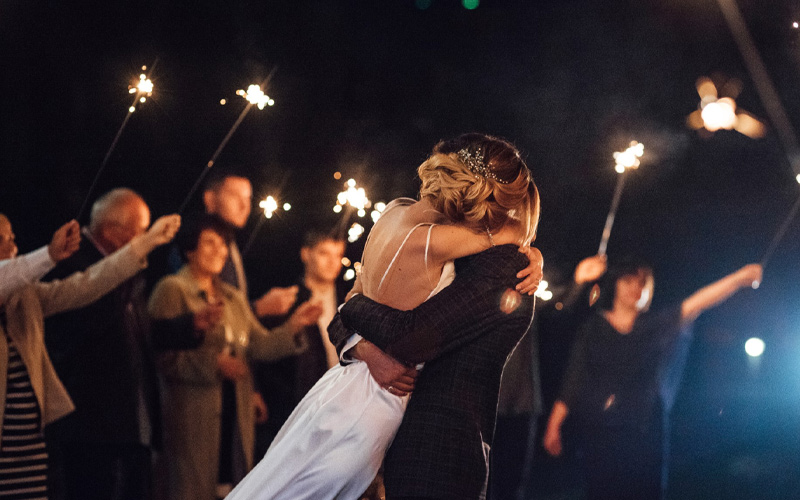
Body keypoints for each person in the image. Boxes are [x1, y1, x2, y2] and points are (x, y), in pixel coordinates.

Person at [226, 133, 543, 500]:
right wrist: (526, 242)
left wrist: (356, 332)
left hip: (340, 387)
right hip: (378, 405)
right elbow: (404, 331)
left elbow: (353, 300)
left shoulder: (394, 210)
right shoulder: (434, 242)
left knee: (278, 481)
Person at [542, 257, 763, 500]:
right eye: (629, 280)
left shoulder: (654, 325)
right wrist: (554, 424)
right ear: (616, 283)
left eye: (642, 283)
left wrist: (739, 278)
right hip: (600, 433)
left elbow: (696, 303)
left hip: (644, 433)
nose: (635, 288)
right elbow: (574, 376)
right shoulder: (593, 327)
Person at [0, 211, 180, 500]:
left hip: (27, 450)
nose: (11, 248)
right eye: (1, 240)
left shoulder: (26, 296)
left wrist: (145, 243)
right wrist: (48, 255)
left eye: (11, 239)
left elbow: (86, 284)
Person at [43, 189, 204, 500]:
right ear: (112, 231)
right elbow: (78, 329)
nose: (143, 239)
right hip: (91, 425)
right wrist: (121, 274)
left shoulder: (125, 271)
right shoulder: (73, 265)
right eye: (140, 231)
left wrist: (188, 326)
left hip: (132, 422)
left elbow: (138, 334)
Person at [148, 215, 323, 500]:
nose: (219, 250)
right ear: (190, 249)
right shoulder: (172, 289)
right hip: (192, 419)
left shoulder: (232, 297)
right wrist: (213, 364)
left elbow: (258, 346)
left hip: (233, 415)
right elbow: (161, 356)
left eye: (224, 245)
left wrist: (294, 326)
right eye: (210, 243)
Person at [252, 230, 347, 457]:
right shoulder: (286, 300)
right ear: (306, 254)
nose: (332, 262)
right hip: (292, 409)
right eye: (324, 253)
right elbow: (259, 349)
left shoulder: (349, 300)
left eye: (338, 254)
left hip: (339, 404)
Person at [0, 217, 81, 303]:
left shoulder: (26, 293)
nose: (12, 248)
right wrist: (50, 254)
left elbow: (74, 290)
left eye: (11, 239)